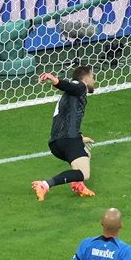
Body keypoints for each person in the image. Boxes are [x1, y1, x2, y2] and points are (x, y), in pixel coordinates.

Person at [32, 65, 98, 200]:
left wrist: (80, 137)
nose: (94, 81)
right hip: (68, 139)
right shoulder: (80, 87)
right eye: (92, 78)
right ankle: (45, 184)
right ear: (85, 78)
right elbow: (70, 86)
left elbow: (67, 117)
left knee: (86, 154)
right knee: (84, 173)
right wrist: (56, 81)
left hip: (56, 142)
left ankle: (78, 185)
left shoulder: (67, 97)